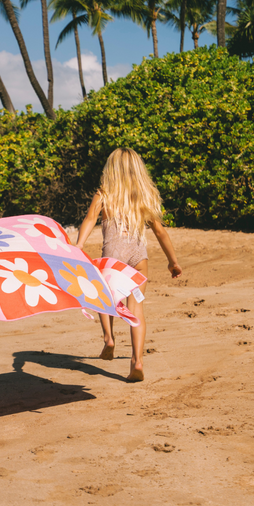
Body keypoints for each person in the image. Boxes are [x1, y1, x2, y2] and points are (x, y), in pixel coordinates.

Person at [75, 148, 182, 382]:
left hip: (112, 257)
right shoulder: (144, 195)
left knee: (104, 299)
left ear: (111, 168)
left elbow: (90, 219)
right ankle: (137, 361)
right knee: (136, 309)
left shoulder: (104, 194)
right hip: (138, 259)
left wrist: (79, 245)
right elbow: (160, 232)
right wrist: (172, 262)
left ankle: (109, 338)